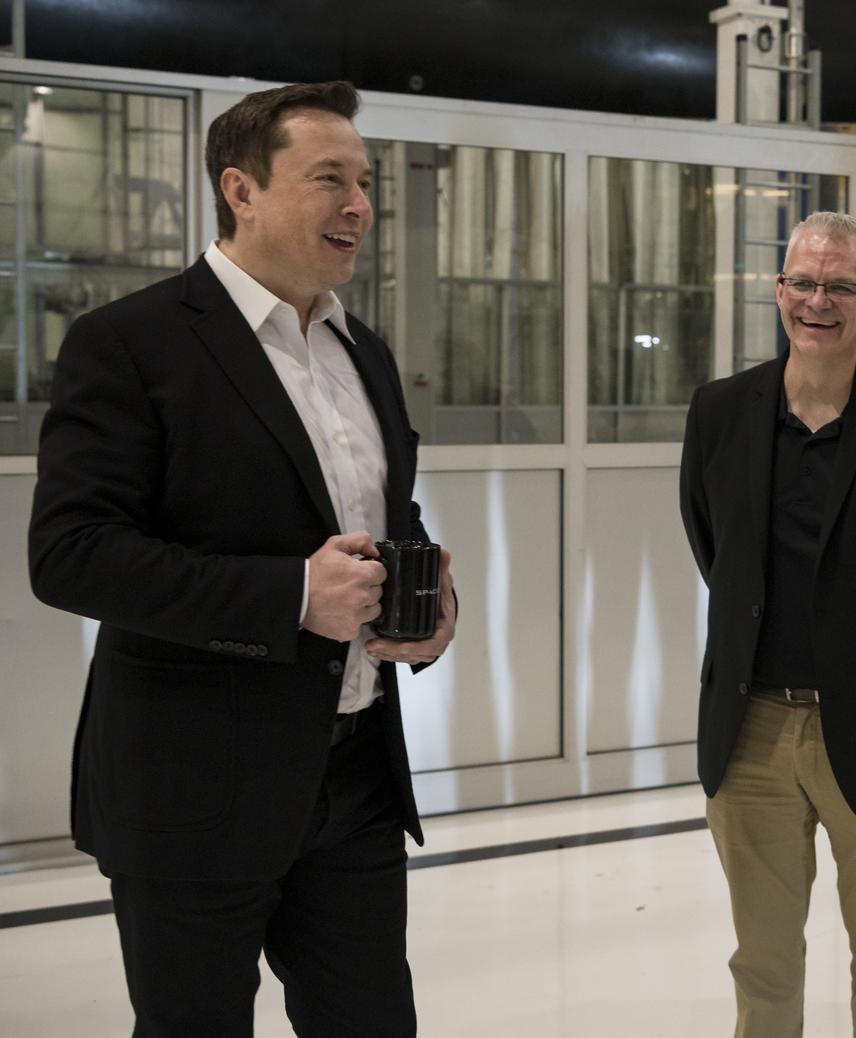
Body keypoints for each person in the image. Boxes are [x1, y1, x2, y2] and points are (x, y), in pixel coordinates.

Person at [28, 81, 456, 1037]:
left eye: (366, 182)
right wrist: (295, 594)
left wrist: (428, 599)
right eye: (328, 180)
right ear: (241, 189)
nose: (359, 205)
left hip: (353, 781)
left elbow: (387, 514)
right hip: (194, 792)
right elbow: (71, 554)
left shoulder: (364, 352)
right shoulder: (130, 344)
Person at [680, 211, 856, 1037]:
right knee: (762, 962)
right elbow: (713, 548)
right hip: (751, 730)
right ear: (778, 292)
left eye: (841, 286)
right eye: (803, 282)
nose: (818, 301)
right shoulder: (720, 412)